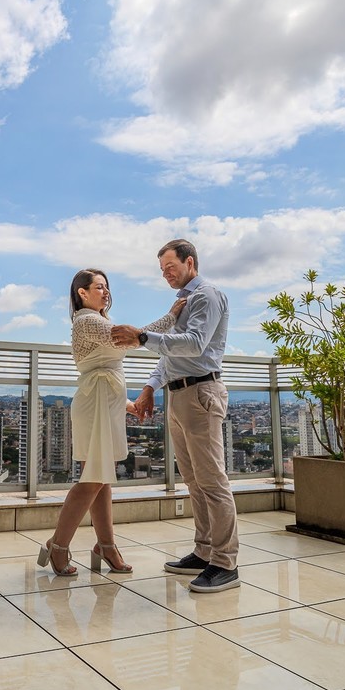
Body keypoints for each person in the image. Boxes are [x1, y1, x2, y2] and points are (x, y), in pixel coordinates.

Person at [109, 239, 239, 593]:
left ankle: (225, 563)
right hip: (179, 394)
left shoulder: (206, 296)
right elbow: (173, 354)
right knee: (194, 481)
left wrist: (141, 336)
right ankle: (205, 550)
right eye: (162, 270)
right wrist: (151, 386)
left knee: (212, 480)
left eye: (171, 267)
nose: (166, 274)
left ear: (190, 262)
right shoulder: (183, 301)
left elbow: (195, 343)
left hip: (201, 392)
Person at [37, 268, 185, 576]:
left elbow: (105, 368)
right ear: (82, 293)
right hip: (96, 403)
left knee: (102, 477)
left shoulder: (97, 320)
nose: (106, 292)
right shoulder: (88, 320)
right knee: (93, 477)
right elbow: (129, 339)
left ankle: (105, 545)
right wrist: (170, 316)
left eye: (106, 287)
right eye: (99, 287)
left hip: (104, 402)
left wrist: (127, 405)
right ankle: (58, 545)